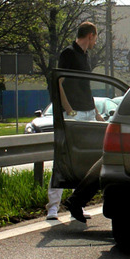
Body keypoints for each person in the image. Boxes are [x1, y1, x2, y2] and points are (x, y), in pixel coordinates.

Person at [48, 22, 103, 223]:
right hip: (74, 114)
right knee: (63, 159)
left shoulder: (85, 56)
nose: (96, 42)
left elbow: (85, 88)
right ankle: (53, 207)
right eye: (95, 37)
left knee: (83, 162)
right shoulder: (68, 53)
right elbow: (58, 82)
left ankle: (75, 205)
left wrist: (96, 112)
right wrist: (68, 108)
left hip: (87, 111)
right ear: (90, 35)